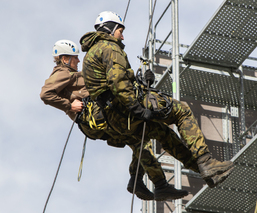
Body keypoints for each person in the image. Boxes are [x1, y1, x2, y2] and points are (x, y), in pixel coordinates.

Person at [80, 11, 234, 188]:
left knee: (165, 135)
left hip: (116, 118)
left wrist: (141, 83)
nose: (122, 35)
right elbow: (118, 82)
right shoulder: (110, 48)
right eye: (120, 30)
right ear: (110, 29)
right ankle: (206, 162)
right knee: (182, 111)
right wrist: (137, 109)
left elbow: (108, 86)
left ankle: (207, 173)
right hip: (126, 108)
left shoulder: (90, 55)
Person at [40, 39, 202, 201]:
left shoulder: (72, 74)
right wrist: (69, 105)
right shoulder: (62, 73)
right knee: (141, 136)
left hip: (98, 117)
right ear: (64, 59)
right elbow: (46, 93)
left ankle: (141, 181)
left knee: (138, 139)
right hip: (96, 118)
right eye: (74, 58)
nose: (77, 60)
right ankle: (155, 183)